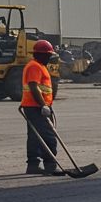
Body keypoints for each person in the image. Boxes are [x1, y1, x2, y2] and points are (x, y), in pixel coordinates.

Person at [21, 39, 64, 176]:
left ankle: (33, 165)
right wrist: (43, 105)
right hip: (36, 107)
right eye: (48, 55)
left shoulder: (38, 65)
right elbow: (34, 86)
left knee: (35, 137)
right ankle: (50, 165)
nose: (49, 58)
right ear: (41, 55)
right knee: (48, 136)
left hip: (33, 106)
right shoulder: (35, 66)